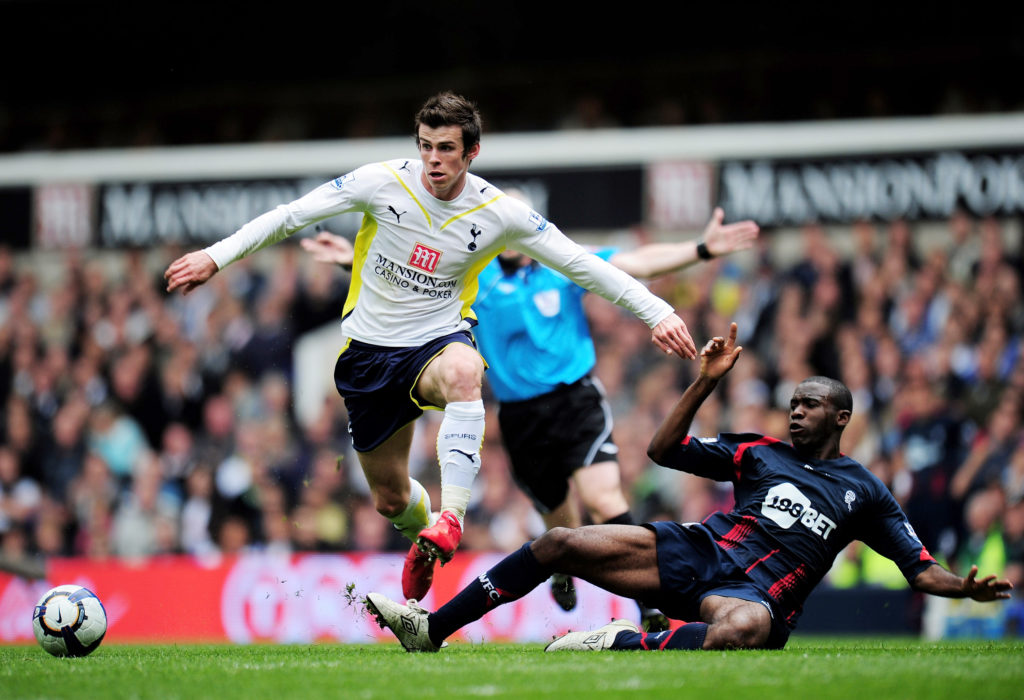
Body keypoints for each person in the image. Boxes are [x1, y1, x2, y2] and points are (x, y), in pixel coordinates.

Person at [164, 91, 698, 604]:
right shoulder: (381, 182)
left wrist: (659, 312)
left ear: (472, 152)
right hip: (370, 356)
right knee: (390, 497)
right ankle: (423, 531)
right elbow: (289, 216)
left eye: (446, 148)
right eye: (426, 145)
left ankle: (452, 519)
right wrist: (216, 256)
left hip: (436, 342)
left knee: (467, 370)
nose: (433, 159)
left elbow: (584, 264)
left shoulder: (497, 212)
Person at [364, 322, 1013, 652]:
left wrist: (965, 586)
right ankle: (431, 629)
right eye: (793, 402)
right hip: (694, 552)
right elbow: (663, 450)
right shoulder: (760, 452)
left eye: (810, 405)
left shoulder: (863, 490)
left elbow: (919, 569)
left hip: (753, 595)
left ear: (840, 417)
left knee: (749, 630)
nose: (796, 411)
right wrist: (705, 382)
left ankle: (619, 642)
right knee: (559, 539)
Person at [303, 205, 759, 631]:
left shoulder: (562, 268)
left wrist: (699, 249)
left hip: (575, 401)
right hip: (521, 418)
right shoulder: (477, 280)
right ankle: (563, 568)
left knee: (603, 499)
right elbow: (417, 281)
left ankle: (649, 603)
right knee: (564, 527)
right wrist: (352, 263)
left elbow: (636, 262)